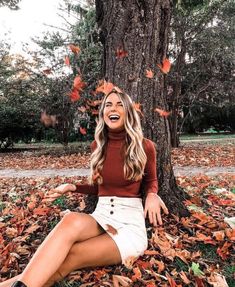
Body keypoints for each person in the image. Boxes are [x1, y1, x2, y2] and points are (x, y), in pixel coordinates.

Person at [1, 88, 168, 287]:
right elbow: (100, 188)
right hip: (102, 215)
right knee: (70, 219)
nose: (112, 108)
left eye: (119, 104)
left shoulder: (144, 145)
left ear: (128, 112)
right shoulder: (97, 146)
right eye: (108, 104)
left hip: (129, 226)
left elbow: (151, 181)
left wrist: (152, 195)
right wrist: (72, 187)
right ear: (103, 112)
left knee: (72, 255)